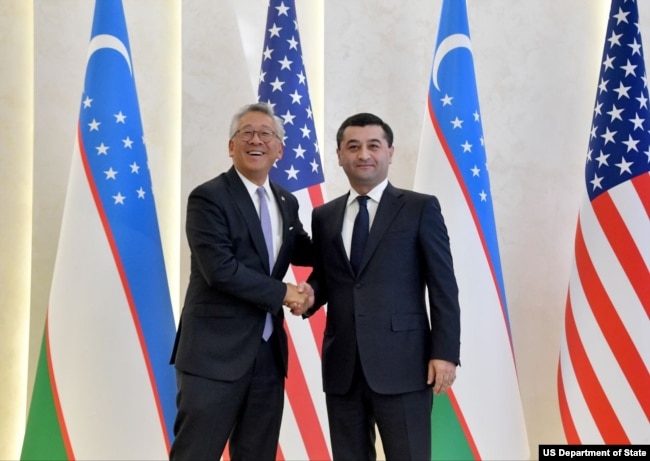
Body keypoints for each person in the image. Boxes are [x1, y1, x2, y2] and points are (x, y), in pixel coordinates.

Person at [301, 112, 461, 460]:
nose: (363, 154)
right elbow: (330, 277)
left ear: (390, 152)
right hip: (343, 367)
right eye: (353, 146)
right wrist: (311, 293)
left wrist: (445, 352)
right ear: (339, 155)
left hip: (405, 365)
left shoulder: (420, 208)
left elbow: (443, 285)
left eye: (374, 145)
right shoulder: (324, 216)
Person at [169, 102, 313, 460]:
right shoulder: (209, 198)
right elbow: (220, 270)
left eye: (266, 134)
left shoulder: (286, 202)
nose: (256, 140)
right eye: (246, 132)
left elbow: (308, 252)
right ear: (231, 146)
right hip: (213, 356)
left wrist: (353, 226)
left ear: (280, 149)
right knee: (196, 453)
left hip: (267, 358)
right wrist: (285, 292)